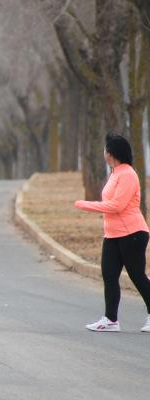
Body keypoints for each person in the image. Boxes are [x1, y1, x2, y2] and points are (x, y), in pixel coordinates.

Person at [75, 133, 150, 333]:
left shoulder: (127, 174)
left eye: (106, 149)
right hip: (113, 234)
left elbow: (117, 205)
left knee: (136, 275)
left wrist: (86, 205)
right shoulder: (115, 173)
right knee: (109, 274)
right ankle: (110, 319)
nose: (104, 153)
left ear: (111, 153)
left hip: (132, 233)